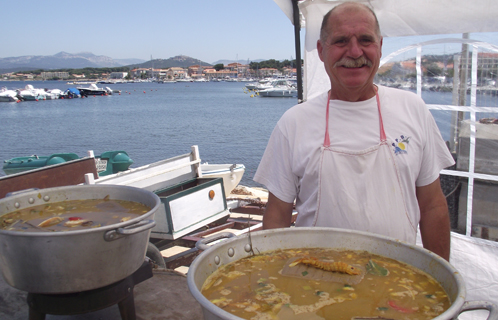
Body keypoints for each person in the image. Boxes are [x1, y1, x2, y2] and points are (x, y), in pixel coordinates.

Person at [253, 2, 454, 261]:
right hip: (315, 280)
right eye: (341, 41)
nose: (355, 51)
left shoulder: (413, 109)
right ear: (321, 51)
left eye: (365, 40)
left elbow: (432, 206)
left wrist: (441, 283)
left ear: (380, 47)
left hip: (399, 279)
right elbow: (277, 216)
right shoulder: (293, 123)